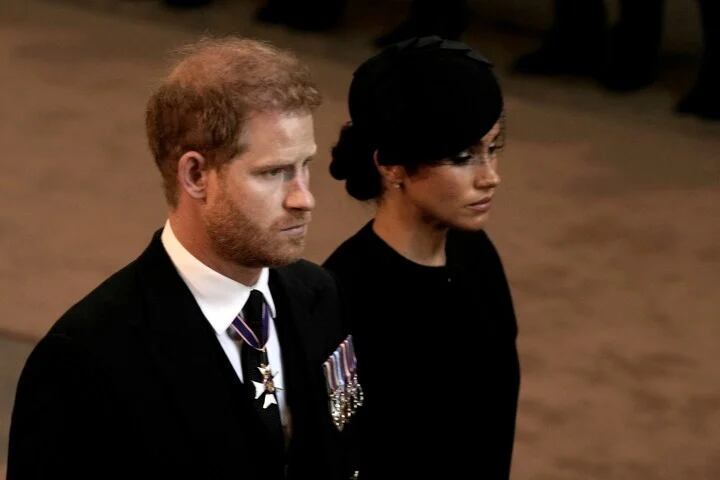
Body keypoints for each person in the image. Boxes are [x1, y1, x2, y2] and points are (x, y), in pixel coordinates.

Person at [8, 37, 358, 480]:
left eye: (305, 165)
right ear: (195, 175)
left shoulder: (318, 294)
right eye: (273, 172)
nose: (303, 198)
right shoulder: (88, 357)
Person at [323, 36, 520, 479]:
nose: (491, 177)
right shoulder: (342, 297)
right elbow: (339, 453)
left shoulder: (476, 254)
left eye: (493, 149)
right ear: (391, 165)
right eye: (463, 157)